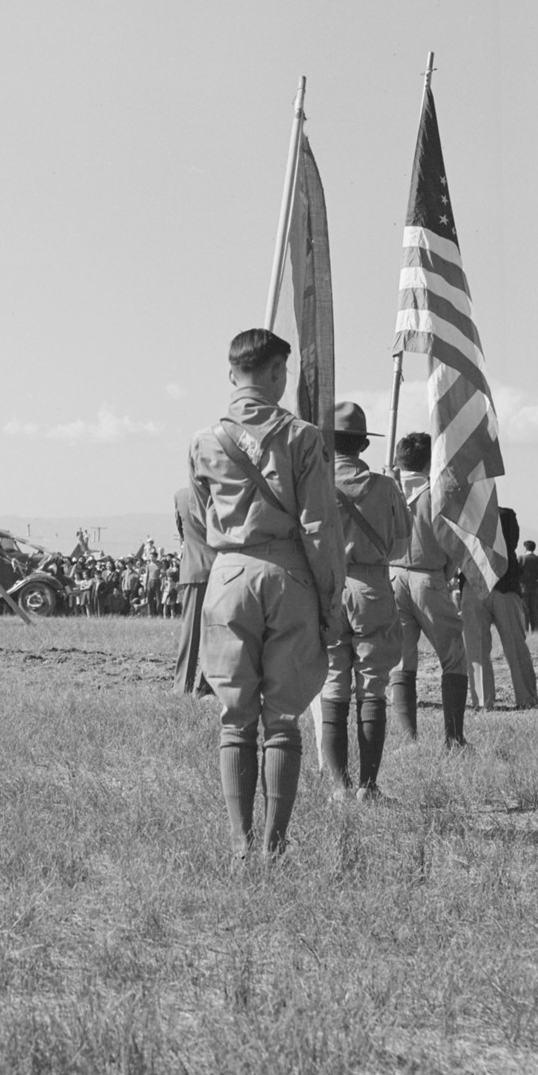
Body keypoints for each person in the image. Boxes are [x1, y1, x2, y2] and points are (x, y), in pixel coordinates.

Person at [188, 328, 343, 864]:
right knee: (282, 721)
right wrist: (331, 600)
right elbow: (320, 526)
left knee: (235, 717)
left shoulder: (204, 440)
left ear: (233, 374)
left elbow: (195, 514)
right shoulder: (302, 437)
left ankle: (239, 845)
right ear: (278, 373)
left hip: (228, 577)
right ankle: (274, 849)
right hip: (290, 576)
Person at [316, 402, 409, 800]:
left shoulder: (315, 483)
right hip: (372, 586)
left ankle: (339, 786)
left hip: (329, 585)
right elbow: (403, 542)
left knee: (333, 684)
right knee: (373, 688)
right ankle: (368, 787)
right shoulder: (386, 486)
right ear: (362, 445)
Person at [385, 431, 471, 747]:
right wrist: (445, 572)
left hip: (392, 577)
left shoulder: (386, 488)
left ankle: (409, 741)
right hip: (428, 577)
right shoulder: (435, 494)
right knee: (453, 657)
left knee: (402, 663)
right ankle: (454, 738)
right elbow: (453, 543)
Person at [464, 506, 538, 711]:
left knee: (477, 650)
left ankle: (483, 701)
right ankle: (526, 697)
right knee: (516, 647)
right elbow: (511, 543)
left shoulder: (464, 512)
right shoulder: (506, 515)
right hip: (505, 585)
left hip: (473, 583)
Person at [172, 482, 212, 695]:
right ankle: (204, 684)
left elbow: (181, 532)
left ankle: (182, 686)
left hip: (193, 567)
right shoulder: (222, 493)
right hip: (219, 569)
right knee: (215, 631)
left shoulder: (181, 496)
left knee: (190, 632)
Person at [518, 541, 538, 630]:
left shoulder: (521, 559)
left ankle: (525, 629)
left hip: (523, 587)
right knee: (535, 610)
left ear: (525, 548)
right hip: (534, 587)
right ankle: (535, 629)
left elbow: (517, 574)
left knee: (524, 611)